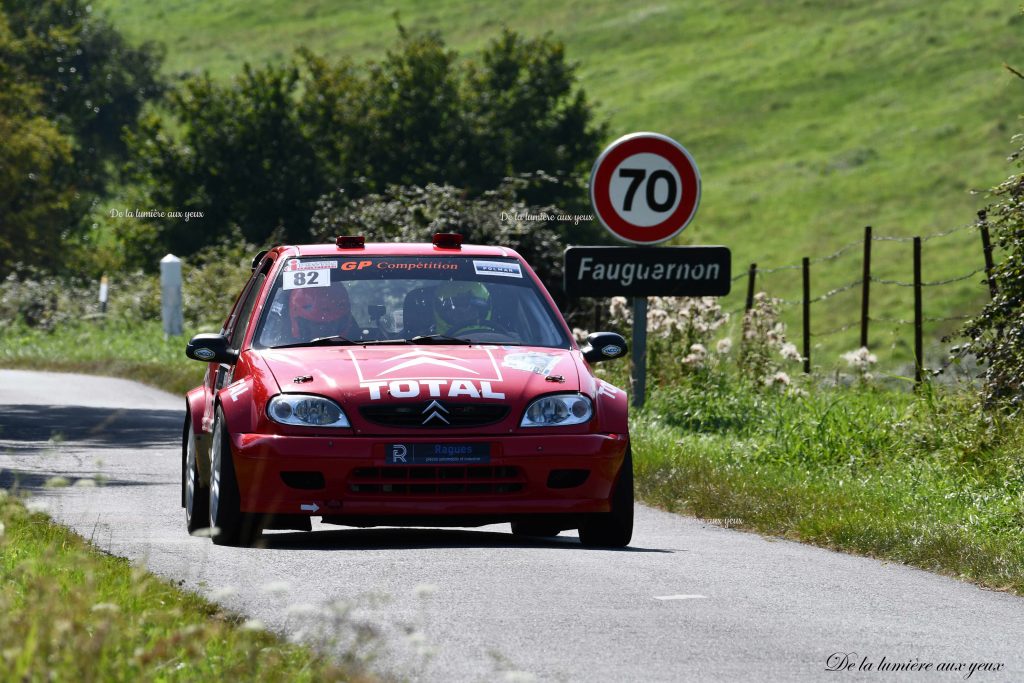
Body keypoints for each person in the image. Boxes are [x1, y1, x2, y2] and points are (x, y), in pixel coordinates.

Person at [289, 283, 360, 341]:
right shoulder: (281, 350)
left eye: (331, 324)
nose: (325, 330)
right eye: (319, 325)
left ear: (342, 323)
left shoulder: (363, 345)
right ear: (303, 325)